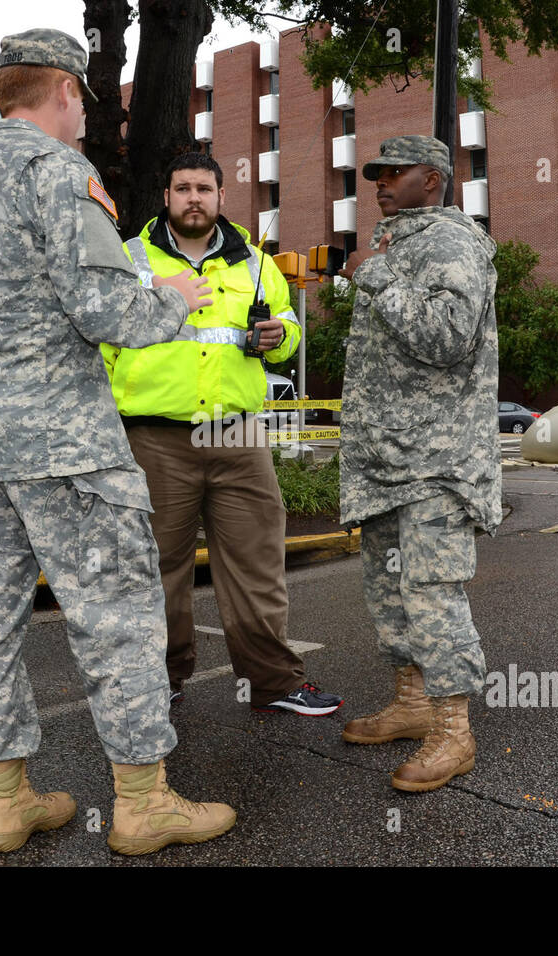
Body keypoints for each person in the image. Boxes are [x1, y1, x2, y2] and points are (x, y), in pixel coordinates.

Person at [0, 28, 235, 856]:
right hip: (65, 446)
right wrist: (177, 297)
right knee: (115, 615)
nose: (85, 112)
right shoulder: (60, 175)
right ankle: (143, 803)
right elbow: (109, 311)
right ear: (67, 94)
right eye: (83, 99)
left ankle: (5, 803)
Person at [100, 153, 343, 717]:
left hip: (236, 436)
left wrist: (278, 335)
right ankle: (161, 678)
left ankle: (274, 682)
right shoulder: (128, 259)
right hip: (156, 437)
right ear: (165, 197)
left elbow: (288, 333)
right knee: (157, 566)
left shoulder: (257, 264)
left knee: (257, 562)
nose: (193, 198)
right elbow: (103, 336)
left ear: (220, 197)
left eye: (203, 189)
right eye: (182, 188)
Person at [337, 135, 502, 792]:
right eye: (375, 173)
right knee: (389, 591)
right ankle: (410, 703)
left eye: (394, 173)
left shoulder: (453, 242)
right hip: (383, 461)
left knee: (432, 594)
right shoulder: (397, 244)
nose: (379, 182)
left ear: (432, 179)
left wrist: (373, 277)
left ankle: (453, 729)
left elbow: (445, 337)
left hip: (436, 461)